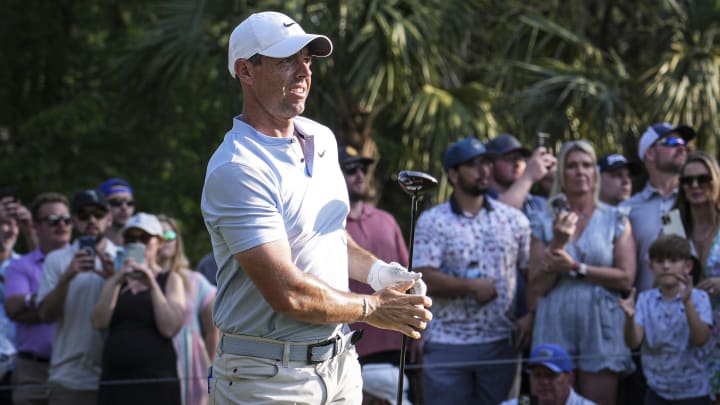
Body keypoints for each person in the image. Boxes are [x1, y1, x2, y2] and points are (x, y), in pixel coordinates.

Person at [200, 11, 431, 404]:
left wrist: (378, 273)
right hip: (266, 380)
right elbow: (288, 293)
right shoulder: (237, 168)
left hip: (340, 363)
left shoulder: (321, 138)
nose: (303, 71)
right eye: (286, 60)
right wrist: (372, 308)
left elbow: (327, 235)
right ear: (245, 71)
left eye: (306, 59)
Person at [412, 137, 530, 405]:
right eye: (473, 164)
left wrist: (530, 315)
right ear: (453, 174)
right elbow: (423, 277)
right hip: (447, 343)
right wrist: (471, 286)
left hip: (501, 340)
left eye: (486, 163)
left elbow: (530, 274)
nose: (484, 170)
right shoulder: (433, 221)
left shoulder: (513, 219)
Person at [528, 140, 636, 405]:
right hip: (555, 317)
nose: (580, 172)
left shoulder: (615, 217)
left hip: (601, 321)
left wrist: (577, 268)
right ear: (561, 174)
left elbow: (626, 277)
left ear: (595, 173)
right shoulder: (542, 218)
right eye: (572, 166)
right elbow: (536, 284)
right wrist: (557, 244)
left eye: (586, 165)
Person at [339, 145, 414, 404]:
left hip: (394, 344)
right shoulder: (324, 226)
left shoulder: (387, 221)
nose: (360, 174)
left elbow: (407, 282)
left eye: (363, 168)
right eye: (350, 169)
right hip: (347, 346)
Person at [91, 212, 185, 404]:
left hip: (157, 382)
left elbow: (169, 328)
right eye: (130, 238)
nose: (137, 243)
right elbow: (98, 321)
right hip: (116, 382)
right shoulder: (115, 281)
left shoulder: (170, 280)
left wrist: (151, 283)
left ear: (158, 243)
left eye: (144, 238)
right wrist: (118, 279)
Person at [36, 189, 119, 405]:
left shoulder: (121, 258)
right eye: (83, 215)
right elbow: (45, 315)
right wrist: (67, 277)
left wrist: (114, 279)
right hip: (68, 379)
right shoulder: (57, 260)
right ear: (74, 220)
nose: (91, 220)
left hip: (115, 377)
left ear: (109, 218)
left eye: (98, 214)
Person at [619, 234, 712, 404]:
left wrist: (687, 302)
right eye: (660, 261)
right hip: (656, 391)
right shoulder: (645, 299)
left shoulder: (700, 298)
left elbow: (701, 339)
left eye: (673, 260)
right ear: (651, 266)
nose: (666, 266)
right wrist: (630, 318)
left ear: (688, 266)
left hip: (694, 392)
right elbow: (633, 343)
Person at [5, 193, 71, 405]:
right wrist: (54, 305)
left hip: (74, 369)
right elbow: (13, 309)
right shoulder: (20, 266)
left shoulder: (87, 262)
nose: (61, 225)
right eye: (52, 220)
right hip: (32, 371)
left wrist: (35, 306)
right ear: (36, 226)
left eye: (66, 220)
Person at [623, 122, 696, 292]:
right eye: (671, 143)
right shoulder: (628, 209)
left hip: (692, 312)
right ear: (649, 153)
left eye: (683, 144)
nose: (681, 148)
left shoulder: (697, 200)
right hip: (644, 312)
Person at [671, 151, 720, 400]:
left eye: (703, 179)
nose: (695, 186)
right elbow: (661, 273)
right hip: (685, 334)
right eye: (687, 181)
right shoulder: (671, 225)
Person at [157, 214, 217, 405]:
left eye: (169, 235)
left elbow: (213, 330)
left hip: (190, 362)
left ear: (177, 241)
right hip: (152, 361)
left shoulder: (195, 281)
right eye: (158, 235)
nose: (164, 240)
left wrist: (211, 367)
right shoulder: (139, 280)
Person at [499, 344, 598, 405]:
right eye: (537, 375)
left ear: (570, 379)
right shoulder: (525, 402)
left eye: (550, 375)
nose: (543, 382)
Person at [486, 134, 556, 216]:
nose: (517, 164)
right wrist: (528, 176)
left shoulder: (538, 203)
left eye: (521, 159)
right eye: (509, 158)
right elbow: (500, 217)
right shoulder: (480, 201)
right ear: (489, 164)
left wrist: (555, 181)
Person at [98, 178, 135, 247]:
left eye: (129, 202)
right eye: (116, 202)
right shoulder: (90, 247)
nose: (124, 207)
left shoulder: (144, 247)